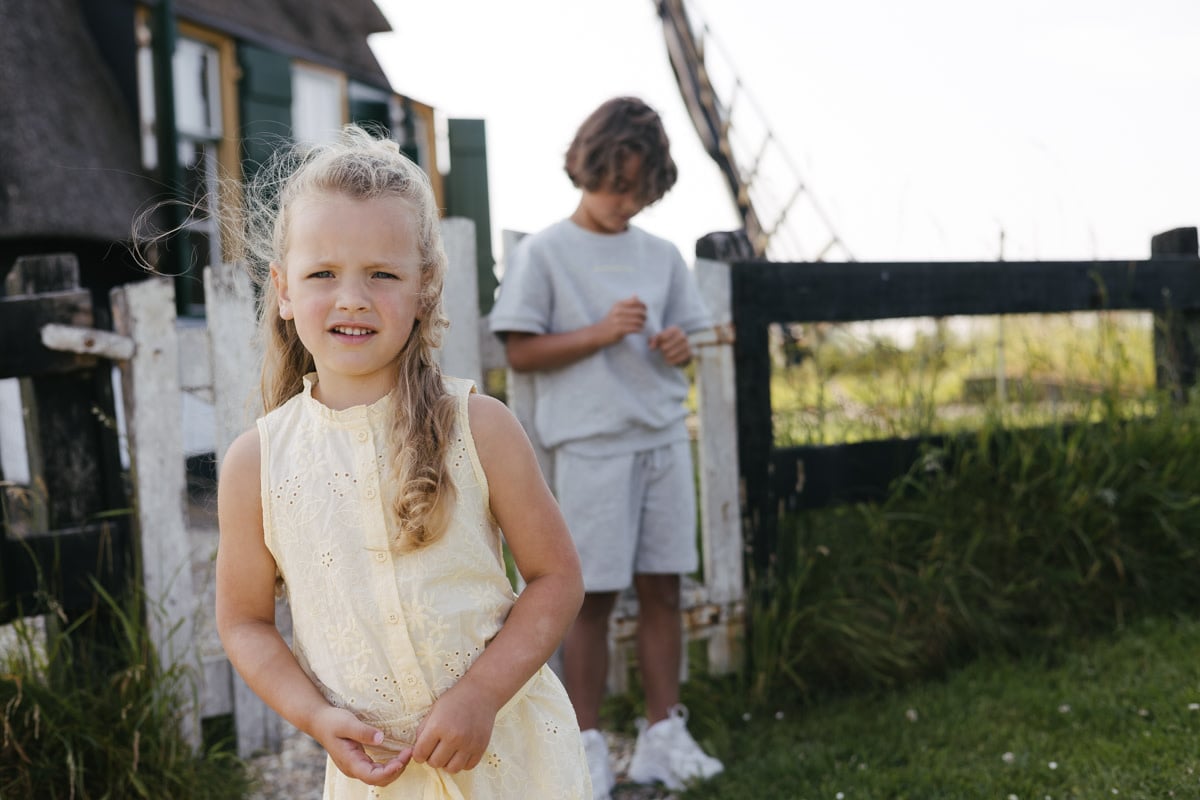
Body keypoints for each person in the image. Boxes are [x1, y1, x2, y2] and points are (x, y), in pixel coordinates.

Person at [215, 125, 591, 799]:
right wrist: (317, 716)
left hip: (511, 758)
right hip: (380, 781)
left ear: (424, 289)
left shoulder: (479, 427)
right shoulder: (256, 463)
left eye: (382, 274)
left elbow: (555, 578)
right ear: (281, 289)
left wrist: (481, 694)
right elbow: (244, 622)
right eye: (322, 273)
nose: (352, 297)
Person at [488, 96, 724, 798]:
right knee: (586, 597)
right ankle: (582, 748)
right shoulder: (546, 252)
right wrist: (599, 330)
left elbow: (692, 338)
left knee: (664, 587)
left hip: (659, 440)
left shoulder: (661, 255)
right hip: (590, 446)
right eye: (615, 185)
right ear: (585, 168)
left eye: (640, 190)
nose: (626, 202)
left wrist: (681, 346)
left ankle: (661, 738)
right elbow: (522, 352)